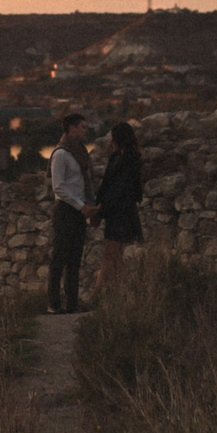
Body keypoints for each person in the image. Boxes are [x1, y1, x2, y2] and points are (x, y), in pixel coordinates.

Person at [47, 111, 94, 314]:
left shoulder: (80, 152)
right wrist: (80, 205)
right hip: (67, 210)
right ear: (72, 128)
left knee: (75, 259)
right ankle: (53, 304)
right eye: (83, 127)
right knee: (59, 258)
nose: (86, 130)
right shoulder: (61, 154)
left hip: (78, 210)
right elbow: (58, 187)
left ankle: (72, 303)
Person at [92, 120, 143, 300]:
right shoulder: (116, 157)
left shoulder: (130, 159)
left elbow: (121, 189)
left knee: (110, 254)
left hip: (122, 213)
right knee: (115, 257)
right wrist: (99, 207)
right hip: (114, 213)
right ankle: (125, 295)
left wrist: (101, 208)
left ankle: (95, 295)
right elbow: (106, 185)